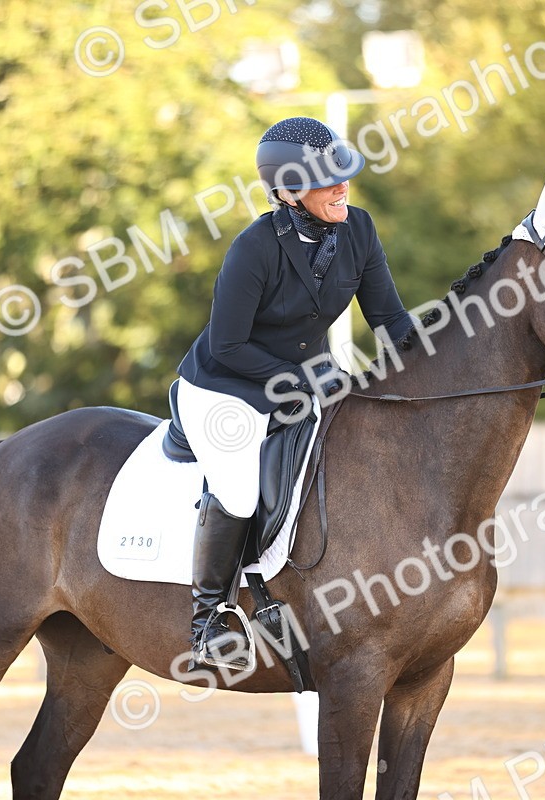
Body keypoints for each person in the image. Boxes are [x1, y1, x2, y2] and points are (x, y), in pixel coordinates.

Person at [175, 117, 416, 667]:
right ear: (287, 191)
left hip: (306, 381)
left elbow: (389, 319)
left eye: (343, 176)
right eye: (326, 180)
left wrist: (443, 354)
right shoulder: (253, 248)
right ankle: (208, 617)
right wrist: (309, 380)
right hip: (225, 388)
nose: (342, 188)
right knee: (237, 488)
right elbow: (229, 344)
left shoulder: (358, 228)